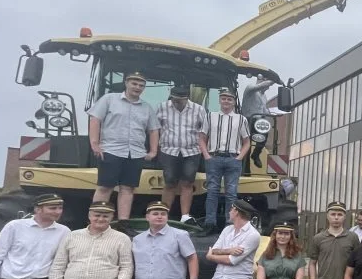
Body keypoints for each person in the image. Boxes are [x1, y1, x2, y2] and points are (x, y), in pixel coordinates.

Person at [88, 71, 160, 220]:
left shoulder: (146, 107)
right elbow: (95, 120)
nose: (137, 87)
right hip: (111, 150)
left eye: (141, 85)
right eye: (134, 83)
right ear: (126, 83)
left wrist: (153, 151)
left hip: (135, 153)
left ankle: (123, 223)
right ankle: (95, 219)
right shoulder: (109, 99)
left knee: (128, 189)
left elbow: (153, 130)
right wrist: (95, 143)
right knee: (104, 187)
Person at [155, 84, 209, 221]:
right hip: (168, 150)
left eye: (179, 100)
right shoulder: (162, 107)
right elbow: (155, 128)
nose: (176, 102)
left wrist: (205, 151)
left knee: (187, 183)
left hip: (191, 151)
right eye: (174, 100)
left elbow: (204, 131)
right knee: (169, 183)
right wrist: (155, 147)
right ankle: (164, 214)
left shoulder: (198, 110)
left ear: (187, 98)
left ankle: (185, 216)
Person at [203, 87, 250, 231]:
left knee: (231, 193)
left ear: (234, 102)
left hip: (232, 159)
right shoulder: (210, 116)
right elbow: (202, 138)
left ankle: (230, 225)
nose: (226, 101)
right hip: (214, 157)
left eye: (229, 99)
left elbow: (247, 141)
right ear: (219, 100)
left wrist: (239, 158)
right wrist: (207, 156)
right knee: (212, 192)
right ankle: (210, 223)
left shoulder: (241, 119)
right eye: (223, 98)